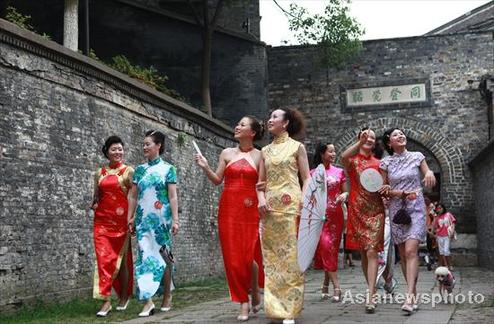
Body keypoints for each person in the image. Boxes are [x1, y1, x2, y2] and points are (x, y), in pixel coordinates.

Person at [194, 116, 264, 321]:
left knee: (248, 255)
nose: (237, 126)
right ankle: (243, 301)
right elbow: (217, 180)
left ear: (252, 133)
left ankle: (255, 290)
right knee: (233, 257)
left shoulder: (261, 156)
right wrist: (205, 166)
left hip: (250, 209)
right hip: (229, 209)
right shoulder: (226, 153)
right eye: (238, 123)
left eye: (242, 124)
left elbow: (263, 185)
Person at [257, 108, 311, 324]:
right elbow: (260, 183)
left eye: (274, 117)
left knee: (290, 258)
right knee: (271, 259)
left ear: (286, 123)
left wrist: (304, 200)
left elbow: (306, 178)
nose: (269, 120)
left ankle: (289, 309)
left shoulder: (298, 148)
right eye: (269, 117)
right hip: (269, 209)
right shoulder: (265, 151)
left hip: (291, 207)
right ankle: (274, 308)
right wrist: (260, 200)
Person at [379, 127, 436, 314]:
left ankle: (410, 296)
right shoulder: (385, 163)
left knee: (411, 250)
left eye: (402, 133)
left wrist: (428, 174)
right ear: (389, 142)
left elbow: (427, 173)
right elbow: (383, 189)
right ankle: (414, 291)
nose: (401, 135)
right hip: (397, 210)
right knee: (403, 255)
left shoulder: (417, 156)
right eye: (396, 134)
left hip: (416, 207)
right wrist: (396, 193)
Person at [127, 130, 179, 317]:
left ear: (158, 146)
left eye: (148, 144)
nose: (144, 147)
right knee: (144, 258)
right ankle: (148, 301)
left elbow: (172, 196)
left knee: (163, 256)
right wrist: (130, 217)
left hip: (161, 220)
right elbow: (133, 195)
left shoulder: (168, 169)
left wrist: (175, 219)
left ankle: (166, 295)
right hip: (142, 219)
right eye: (143, 144)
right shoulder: (139, 170)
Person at [341, 127, 385, 313]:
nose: (369, 139)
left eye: (372, 137)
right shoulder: (352, 161)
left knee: (372, 252)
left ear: (375, 143)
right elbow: (343, 156)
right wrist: (359, 141)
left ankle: (370, 294)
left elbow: (383, 186)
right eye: (365, 136)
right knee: (364, 252)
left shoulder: (380, 163)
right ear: (359, 139)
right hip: (358, 210)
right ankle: (372, 289)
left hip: (376, 210)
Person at [91, 136, 134, 317]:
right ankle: (106, 301)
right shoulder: (99, 173)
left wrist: (132, 218)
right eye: (114, 149)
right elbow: (96, 196)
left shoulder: (128, 171)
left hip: (121, 222)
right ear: (107, 151)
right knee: (103, 260)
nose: (118, 152)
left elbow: (134, 197)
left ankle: (124, 297)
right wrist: (94, 204)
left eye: (120, 149)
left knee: (121, 261)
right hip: (101, 222)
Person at [311, 143, 348, 302]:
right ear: (322, 153)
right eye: (330, 151)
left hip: (336, 215)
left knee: (331, 250)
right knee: (325, 247)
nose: (333, 154)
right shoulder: (313, 173)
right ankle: (337, 286)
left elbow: (345, 190)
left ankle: (326, 284)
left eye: (334, 151)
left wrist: (344, 195)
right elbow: (309, 196)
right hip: (319, 216)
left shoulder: (339, 172)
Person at [433, 203, 456, 271]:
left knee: (446, 251)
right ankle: (446, 265)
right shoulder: (437, 217)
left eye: (441, 208)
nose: (440, 209)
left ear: (443, 208)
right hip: (439, 236)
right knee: (441, 251)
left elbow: (453, 222)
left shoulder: (448, 214)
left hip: (447, 235)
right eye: (438, 208)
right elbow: (435, 227)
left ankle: (450, 265)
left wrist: (452, 230)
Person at [424, 196, 438, 271]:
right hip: (422, 230)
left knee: (430, 247)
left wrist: (431, 231)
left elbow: (434, 220)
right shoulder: (421, 207)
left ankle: (431, 261)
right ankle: (428, 261)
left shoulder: (431, 209)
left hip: (429, 229)